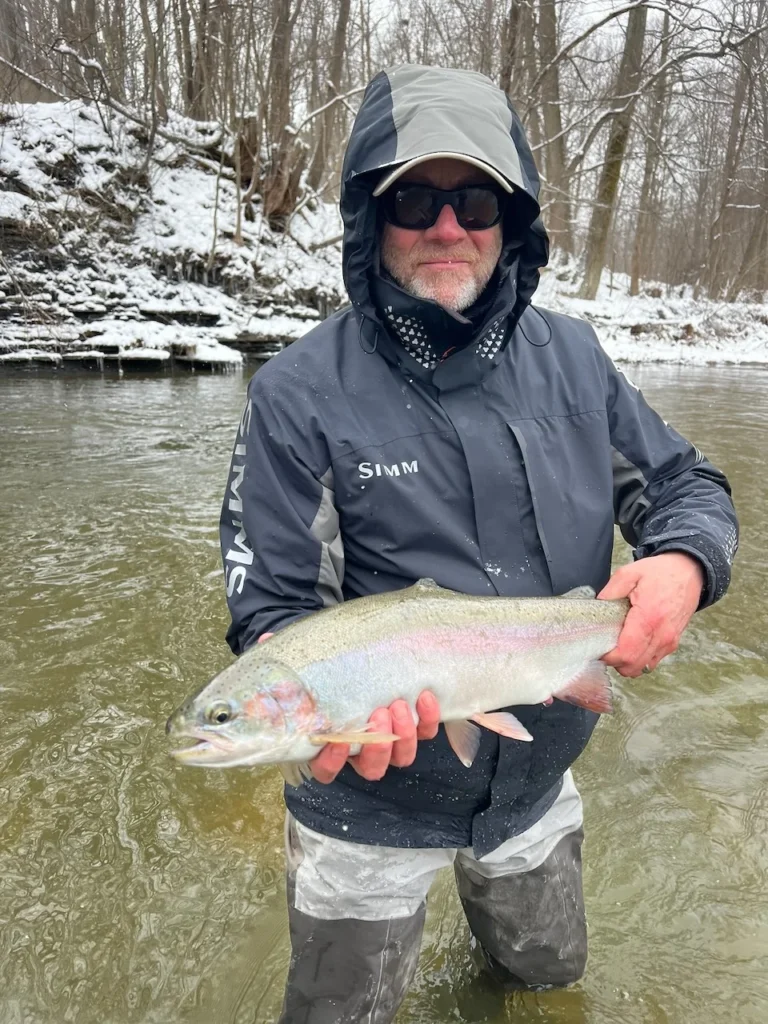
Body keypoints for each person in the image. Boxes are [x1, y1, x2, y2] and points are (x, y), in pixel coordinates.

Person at [219, 65, 738, 1023]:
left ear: (513, 220)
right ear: (371, 220)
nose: (447, 226)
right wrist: (320, 700)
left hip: (540, 787)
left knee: (545, 986)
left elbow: (686, 487)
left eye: (475, 199)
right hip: (367, 807)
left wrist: (685, 563)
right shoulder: (295, 396)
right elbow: (276, 611)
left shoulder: (576, 359)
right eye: (414, 197)